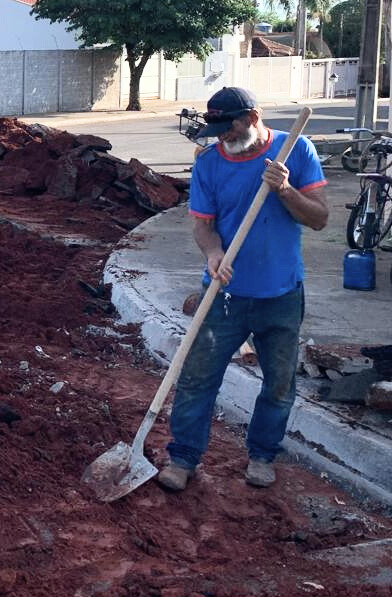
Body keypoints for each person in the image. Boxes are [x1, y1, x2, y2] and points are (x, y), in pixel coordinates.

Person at [158, 86, 328, 492]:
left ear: (252, 118)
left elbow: (320, 219)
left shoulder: (295, 151)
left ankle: (262, 455)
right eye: (215, 129)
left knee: (279, 383)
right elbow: (203, 225)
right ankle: (182, 457)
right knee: (197, 378)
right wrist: (213, 254)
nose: (222, 137)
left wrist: (284, 189)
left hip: (281, 293)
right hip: (224, 295)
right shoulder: (209, 164)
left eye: (228, 128)